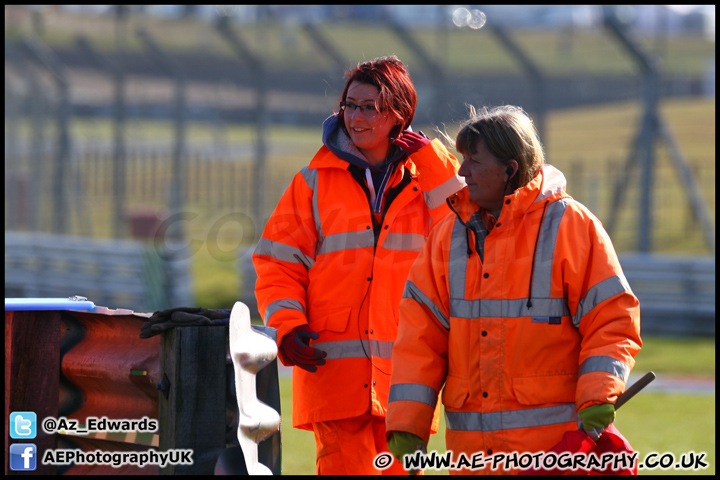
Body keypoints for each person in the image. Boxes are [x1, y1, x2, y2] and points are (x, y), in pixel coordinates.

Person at [385, 105, 642, 474]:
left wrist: (600, 394)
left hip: (556, 455)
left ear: (510, 169)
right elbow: (419, 336)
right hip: (471, 458)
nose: (462, 172)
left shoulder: (571, 226)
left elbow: (612, 319)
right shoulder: (445, 237)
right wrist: (408, 422)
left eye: (474, 161)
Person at [252, 56, 465, 475]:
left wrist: (435, 162)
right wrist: (287, 327)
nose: (357, 116)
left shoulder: (433, 181)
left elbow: (469, 233)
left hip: (408, 374)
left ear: (398, 115)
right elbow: (278, 263)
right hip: (333, 370)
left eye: (371, 106)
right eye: (351, 105)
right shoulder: (312, 180)